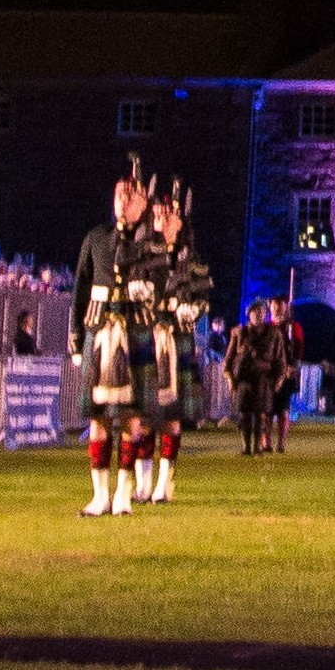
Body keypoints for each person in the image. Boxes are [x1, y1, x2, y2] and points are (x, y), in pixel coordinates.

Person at [70, 161, 157, 516]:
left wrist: (147, 288)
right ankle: (99, 495)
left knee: (132, 419)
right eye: (119, 194)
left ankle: (124, 492)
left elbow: (164, 285)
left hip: (135, 331)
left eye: (129, 195)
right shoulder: (95, 238)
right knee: (98, 418)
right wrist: (76, 336)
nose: (122, 200)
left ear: (141, 204)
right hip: (99, 330)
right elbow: (80, 287)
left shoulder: (150, 244)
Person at [145, 180, 211, 503]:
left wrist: (192, 309)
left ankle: (164, 482)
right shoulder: (143, 251)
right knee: (143, 414)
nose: (159, 219)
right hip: (147, 334)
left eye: (166, 215)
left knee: (170, 417)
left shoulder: (192, 258)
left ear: (179, 220)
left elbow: (203, 299)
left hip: (177, 338)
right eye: (156, 214)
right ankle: (142, 482)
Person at [225, 302, 284, 458]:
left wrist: (279, 379)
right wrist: (231, 379)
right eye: (255, 312)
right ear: (249, 314)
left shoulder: (273, 333)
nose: (258, 315)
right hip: (244, 379)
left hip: (263, 379)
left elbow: (279, 359)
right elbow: (229, 359)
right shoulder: (239, 333)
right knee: (244, 414)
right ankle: (246, 447)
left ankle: (257, 447)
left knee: (261, 415)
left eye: (261, 312)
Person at [267, 296, 305, 452]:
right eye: (274, 305)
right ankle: (266, 441)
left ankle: (281, 442)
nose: (277, 309)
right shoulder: (267, 327)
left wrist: (293, 366)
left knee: (283, 409)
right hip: (268, 373)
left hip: (286, 372)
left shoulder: (293, 327)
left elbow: (298, 348)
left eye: (280, 306)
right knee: (267, 410)